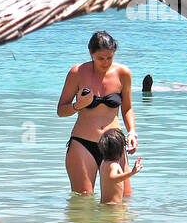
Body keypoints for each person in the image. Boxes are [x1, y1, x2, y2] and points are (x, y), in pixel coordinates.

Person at [58, 30, 136, 195]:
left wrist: (132, 132)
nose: (106, 62)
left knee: (123, 200)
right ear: (91, 54)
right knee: (83, 201)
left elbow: (127, 107)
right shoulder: (77, 72)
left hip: (114, 144)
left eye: (110, 57)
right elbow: (61, 110)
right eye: (101, 58)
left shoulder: (123, 73)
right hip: (83, 144)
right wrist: (77, 106)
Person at [98, 127, 143, 204]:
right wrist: (132, 172)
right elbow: (112, 178)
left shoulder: (104, 163)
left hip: (106, 204)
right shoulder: (114, 165)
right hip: (113, 207)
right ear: (121, 149)